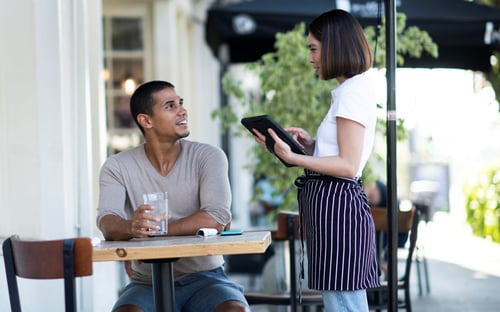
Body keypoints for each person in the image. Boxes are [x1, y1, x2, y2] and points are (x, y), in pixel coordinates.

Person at [250, 9, 379, 312]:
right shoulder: (350, 90)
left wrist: (295, 157)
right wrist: (311, 146)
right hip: (334, 208)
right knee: (341, 300)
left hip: (338, 209)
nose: (310, 57)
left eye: (313, 48)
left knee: (343, 303)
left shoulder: (352, 92)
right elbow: (344, 156)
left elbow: (347, 165)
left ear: (334, 46)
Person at [96, 80, 250, 312]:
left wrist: (158, 230)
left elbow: (215, 217)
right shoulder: (117, 166)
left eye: (181, 103)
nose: (182, 111)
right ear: (146, 121)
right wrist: (131, 227)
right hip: (146, 283)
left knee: (234, 310)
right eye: (170, 106)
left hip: (206, 278)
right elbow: (107, 221)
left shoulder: (209, 157)